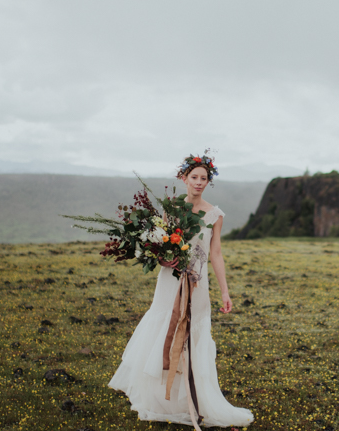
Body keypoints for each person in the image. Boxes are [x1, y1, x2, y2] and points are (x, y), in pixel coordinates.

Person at [108, 155, 254, 428]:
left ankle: (189, 399)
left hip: (197, 284)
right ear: (183, 179)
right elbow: (160, 243)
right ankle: (159, 398)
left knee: (192, 333)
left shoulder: (215, 215)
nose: (198, 183)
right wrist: (163, 259)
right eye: (194, 177)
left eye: (204, 178)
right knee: (164, 327)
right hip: (169, 280)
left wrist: (225, 292)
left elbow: (217, 254)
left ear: (209, 182)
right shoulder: (171, 209)